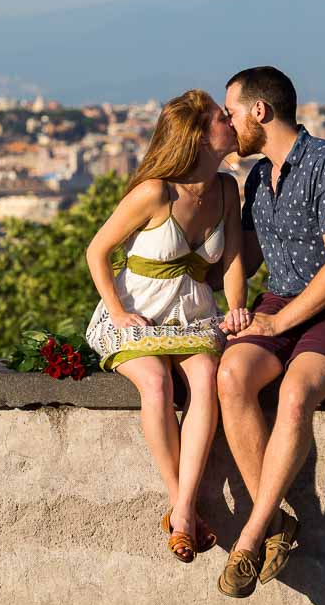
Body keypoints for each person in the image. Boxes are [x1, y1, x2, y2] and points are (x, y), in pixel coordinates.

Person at [214, 67, 325, 598]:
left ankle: (252, 534)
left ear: (260, 112)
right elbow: (239, 262)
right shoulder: (255, 180)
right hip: (280, 306)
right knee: (232, 376)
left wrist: (278, 322)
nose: (228, 122)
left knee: (296, 392)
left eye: (232, 112)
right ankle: (278, 525)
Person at [85, 89, 251, 563]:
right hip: (140, 312)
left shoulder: (226, 189)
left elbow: (234, 257)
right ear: (200, 136)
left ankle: (180, 509)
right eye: (224, 118)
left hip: (193, 316)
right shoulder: (155, 191)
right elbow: (97, 252)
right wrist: (117, 311)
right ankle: (185, 509)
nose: (232, 123)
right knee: (155, 383)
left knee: (206, 379)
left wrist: (236, 306)